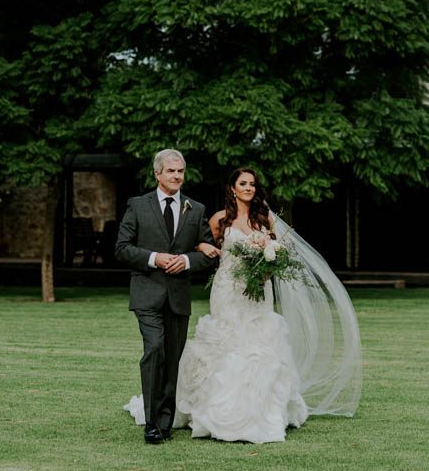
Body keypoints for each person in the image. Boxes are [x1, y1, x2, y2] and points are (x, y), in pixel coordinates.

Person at [125, 167, 362, 444]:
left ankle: (261, 411)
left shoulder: (266, 219)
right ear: (232, 188)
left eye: (252, 184)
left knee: (259, 346)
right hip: (227, 290)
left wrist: (267, 266)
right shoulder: (218, 220)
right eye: (243, 183)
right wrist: (202, 249)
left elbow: (278, 255)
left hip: (259, 292)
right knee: (227, 343)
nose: (248, 188)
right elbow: (200, 245)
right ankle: (210, 407)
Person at [116, 149, 216, 444]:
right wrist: (154, 258)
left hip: (178, 296)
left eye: (181, 171)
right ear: (157, 173)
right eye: (171, 171)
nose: (177, 176)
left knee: (173, 360)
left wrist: (185, 261)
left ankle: (164, 422)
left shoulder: (195, 209)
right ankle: (151, 423)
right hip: (147, 293)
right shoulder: (137, 205)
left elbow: (207, 253)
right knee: (155, 350)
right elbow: (122, 248)